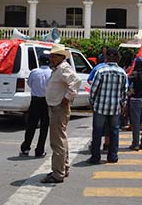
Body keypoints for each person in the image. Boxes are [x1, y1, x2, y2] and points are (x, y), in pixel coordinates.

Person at [41, 44, 82, 183]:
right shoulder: (59, 68)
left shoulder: (63, 68)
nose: (51, 58)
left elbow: (76, 82)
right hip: (56, 106)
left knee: (57, 141)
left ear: (60, 57)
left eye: (53, 56)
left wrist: (67, 98)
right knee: (61, 140)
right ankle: (63, 168)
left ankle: (58, 173)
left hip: (58, 107)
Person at [87, 48, 127, 165]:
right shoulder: (122, 72)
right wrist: (123, 104)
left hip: (100, 106)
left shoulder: (101, 71)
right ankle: (112, 156)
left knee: (97, 132)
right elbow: (124, 91)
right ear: (118, 58)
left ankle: (95, 157)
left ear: (106, 57)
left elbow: (93, 90)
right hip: (115, 107)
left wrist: (92, 102)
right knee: (114, 132)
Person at [20, 53, 51, 157]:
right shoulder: (51, 73)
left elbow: (29, 83)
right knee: (44, 127)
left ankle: (26, 147)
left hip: (35, 100)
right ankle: (40, 149)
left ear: (40, 61)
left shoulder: (34, 71)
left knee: (31, 125)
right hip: (46, 101)